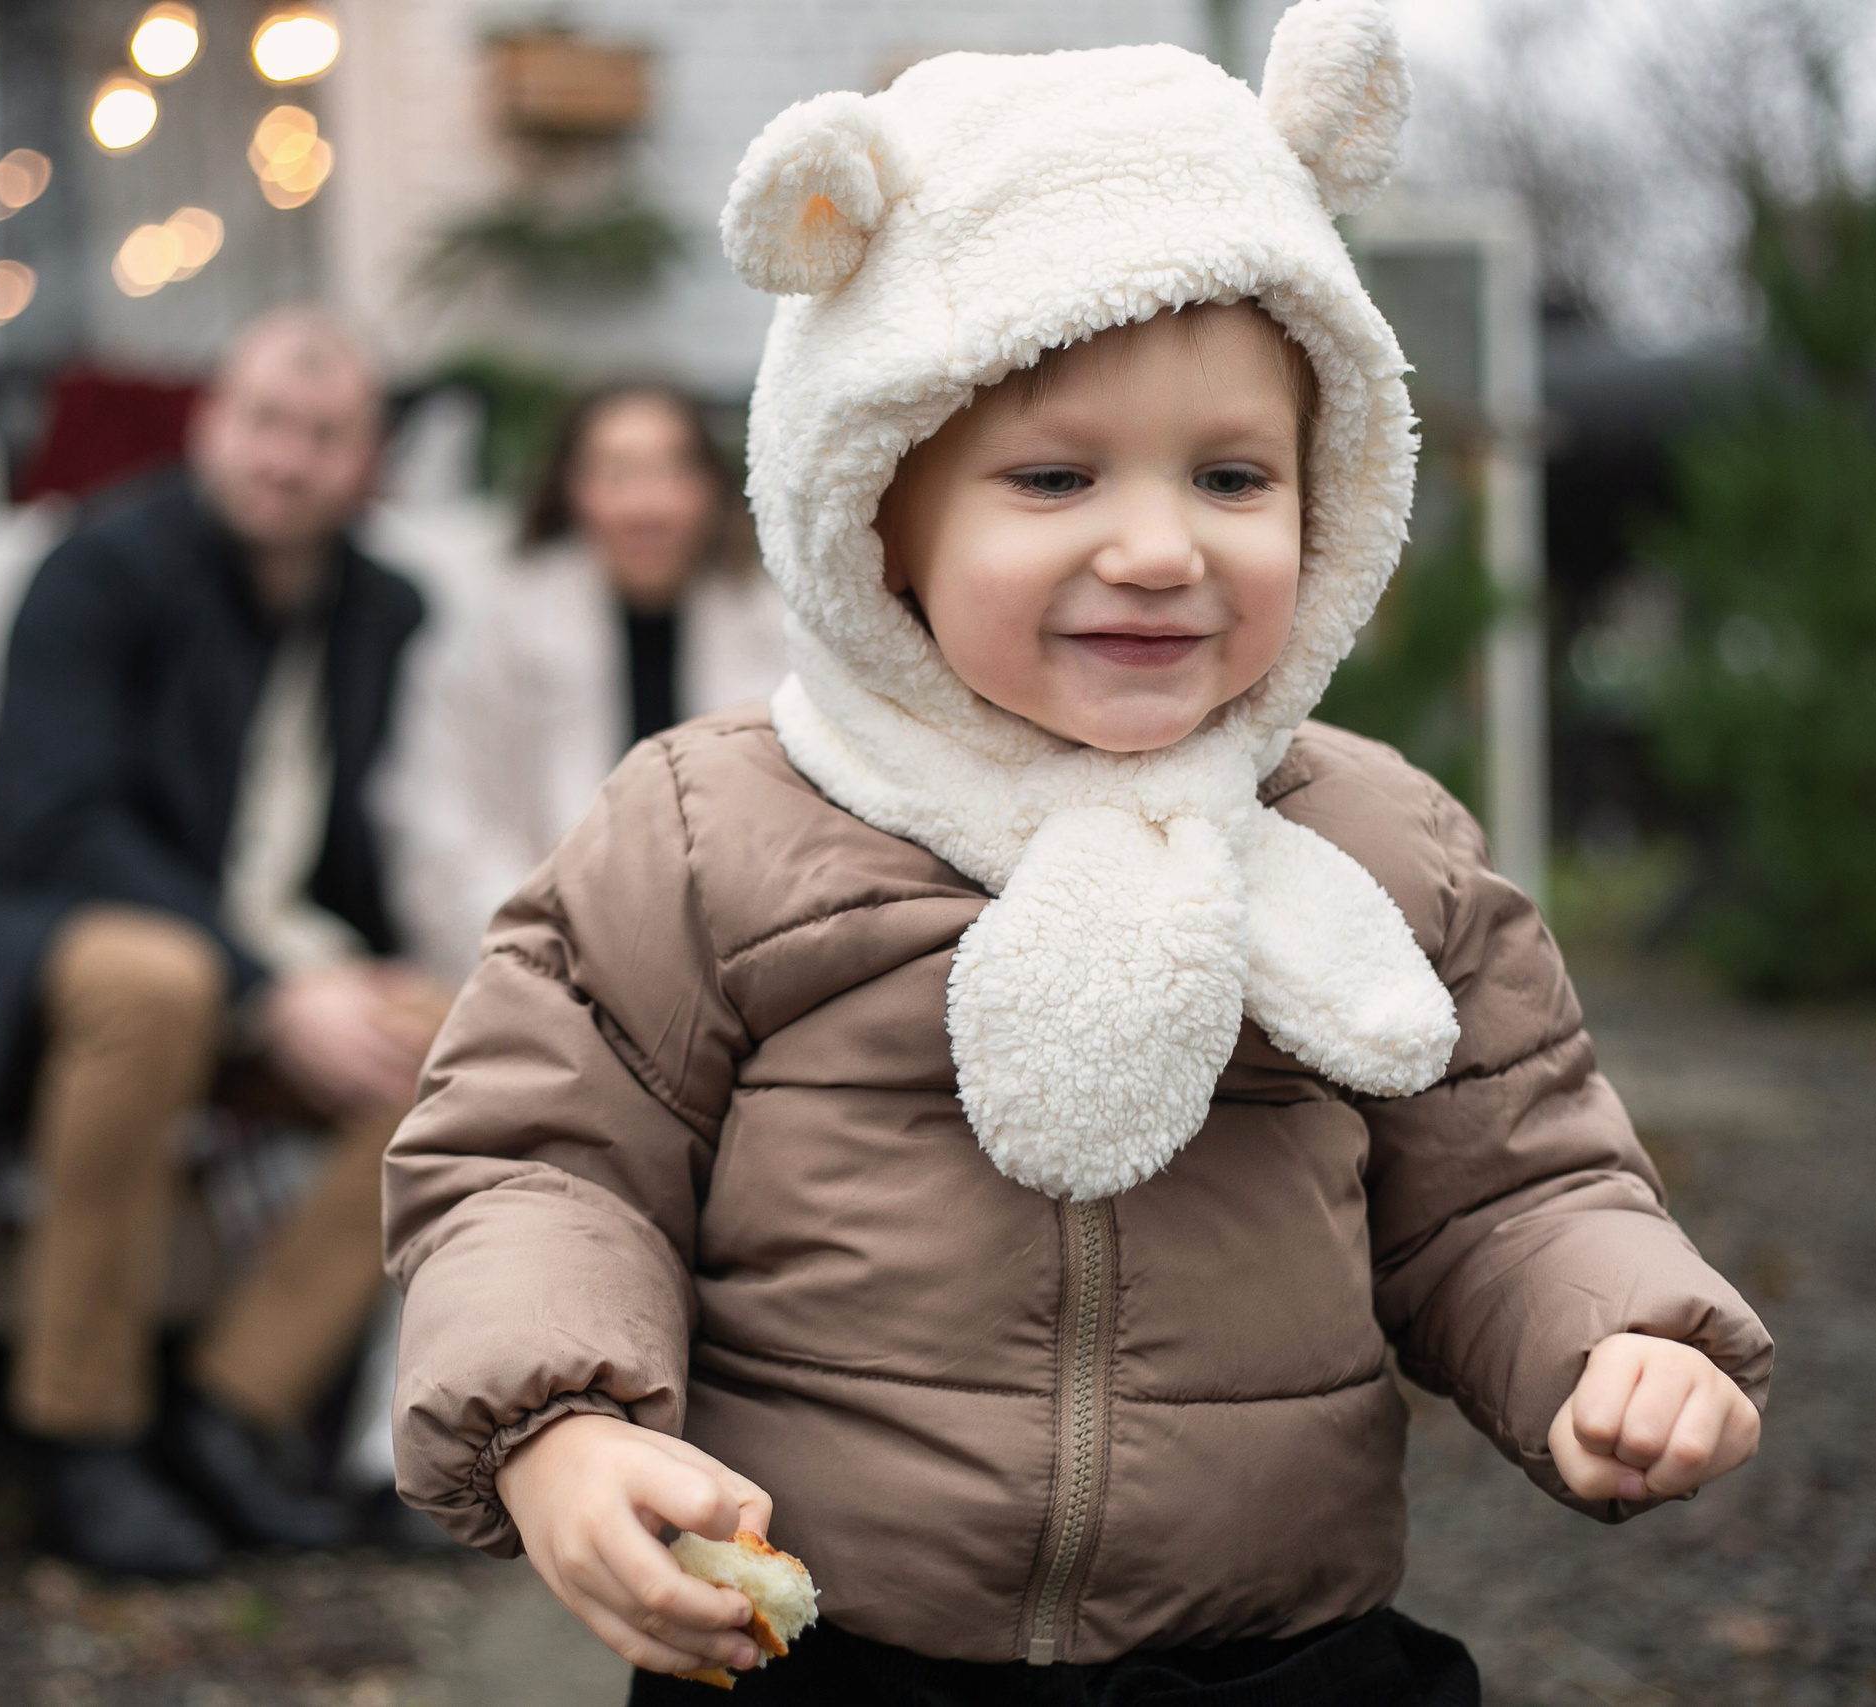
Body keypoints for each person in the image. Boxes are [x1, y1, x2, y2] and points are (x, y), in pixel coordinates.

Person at [384, 9, 1774, 1704]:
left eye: (1234, 475)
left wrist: (1618, 1332)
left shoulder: (1373, 841)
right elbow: (542, 1161)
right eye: (1053, 475)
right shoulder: (717, 827)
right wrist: (561, 1424)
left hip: (1278, 1651)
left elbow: (1512, 1181)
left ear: (1332, 501)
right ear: (875, 508)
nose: (1156, 545)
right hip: (835, 1645)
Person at [0, 307, 452, 1578]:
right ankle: (81, 1434)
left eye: (321, 435)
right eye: (261, 422)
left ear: (368, 463)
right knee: (163, 976)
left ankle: (233, 1411)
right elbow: (61, 817)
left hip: (266, 960)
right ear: (211, 421)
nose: (284, 459)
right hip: (63, 946)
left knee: (468, 1037)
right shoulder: (96, 565)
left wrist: (359, 968)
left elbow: (388, 827)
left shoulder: (390, 610)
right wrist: (272, 988)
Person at [377, 383, 785, 979]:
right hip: (534, 967)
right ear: (574, 488)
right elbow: (438, 825)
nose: (647, 504)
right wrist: (547, 959)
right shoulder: (493, 629)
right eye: (617, 473)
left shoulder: (778, 633)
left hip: (735, 974)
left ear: (711, 489)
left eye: (673, 470)